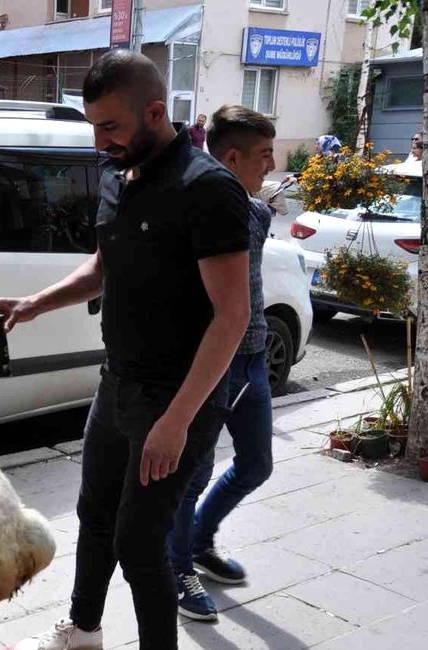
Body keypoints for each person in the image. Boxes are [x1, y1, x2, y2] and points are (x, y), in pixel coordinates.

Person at [0, 50, 250, 650]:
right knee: (95, 513)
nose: (98, 141)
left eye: (109, 126)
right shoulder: (120, 174)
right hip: (118, 383)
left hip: (178, 398)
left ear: (156, 113)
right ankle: (84, 627)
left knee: (140, 540)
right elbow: (104, 267)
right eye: (93, 126)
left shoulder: (206, 188)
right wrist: (37, 303)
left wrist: (177, 421)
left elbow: (232, 316)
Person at [167, 105, 277, 622]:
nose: (271, 166)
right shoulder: (202, 207)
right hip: (214, 361)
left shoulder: (255, 211)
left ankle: (199, 540)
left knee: (256, 464)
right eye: (264, 155)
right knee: (194, 473)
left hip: (252, 357)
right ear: (232, 157)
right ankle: (176, 566)